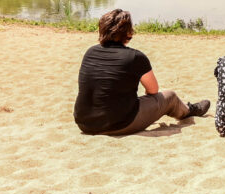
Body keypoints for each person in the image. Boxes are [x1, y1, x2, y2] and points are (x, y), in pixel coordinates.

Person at [73, 8, 210, 135]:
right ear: (128, 32)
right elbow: (153, 90)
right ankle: (189, 110)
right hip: (118, 124)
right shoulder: (135, 57)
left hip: (84, 123)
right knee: (170, 97)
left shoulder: (90, 52)